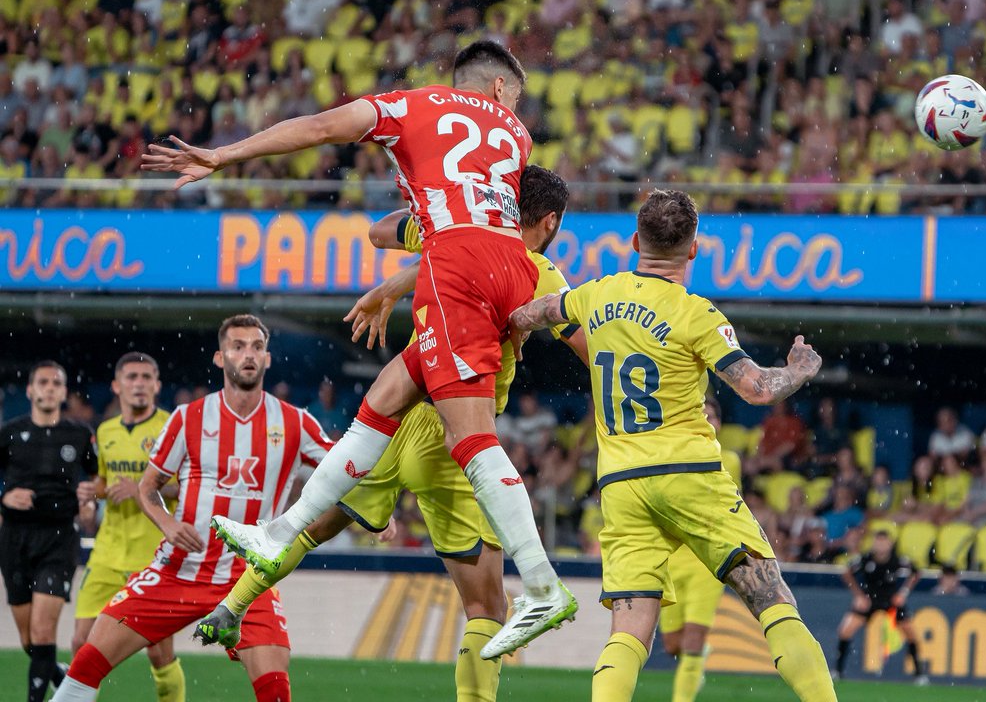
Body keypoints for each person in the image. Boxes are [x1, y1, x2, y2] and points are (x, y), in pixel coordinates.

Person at [143, 40, 577, 656]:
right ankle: (275, 533)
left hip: (454, 274)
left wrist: (223, 154)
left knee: (471, 441)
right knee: (381, 400)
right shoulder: (518, 139)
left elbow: (322, 129)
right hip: (482, 270)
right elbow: (475, 230)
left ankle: (543, 584)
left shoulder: (411, 106)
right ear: (503, 91)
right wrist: (404, 283)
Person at [192, 167, 586, 702]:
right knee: (486, 607)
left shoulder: (452, 230)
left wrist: (406, 273)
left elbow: (379, 231)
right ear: (551, 221)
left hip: (395, 417)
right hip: (458, 431)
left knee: (313, 524)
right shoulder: (541, 272)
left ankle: (231, 606)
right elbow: (589, 350)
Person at [508, 190, 835, 702]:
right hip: (688, 473)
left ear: (635, 241)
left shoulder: (596, 294)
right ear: (694, 250)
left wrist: (511, 328)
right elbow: (755, 389)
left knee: (630, 631)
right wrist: (797, 370)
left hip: (620, 484)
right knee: (771, 598)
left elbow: (538, 311)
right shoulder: (696, 314)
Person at [50, 316, 334, 702]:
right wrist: (167, 524)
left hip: (248, 578)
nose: (247, 354)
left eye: (255, 347)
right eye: (237, 346)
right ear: (220, 357)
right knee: (87, 661)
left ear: (267, 358)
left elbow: (342, 471)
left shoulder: (296, 423)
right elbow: (148, 487)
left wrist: (375, 510)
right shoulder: (188, 418)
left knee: (275, 691)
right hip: (179, 569)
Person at [72, 353, 184, 702]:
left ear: (157, 385)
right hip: (107, 551)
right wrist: (91, 498)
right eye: (132, 377)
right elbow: (105, 483)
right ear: (117, 386)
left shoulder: (174, 426)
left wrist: (140, 490)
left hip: (152, 555)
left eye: (146, 377)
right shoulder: (104, 431)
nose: (139, 383)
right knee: (81, 644)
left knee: (159, 654)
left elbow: (188, 485)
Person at [1, 361, 97, 702]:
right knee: (30, 641)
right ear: (30, 390)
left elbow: (96, 478)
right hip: (14, 541)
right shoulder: (9, 432)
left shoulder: (79, 433)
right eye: (43, 382)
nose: (49, 388)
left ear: (63, 391)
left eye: (57, 383)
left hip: (59, 539)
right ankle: (63, 679)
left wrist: (88, 500)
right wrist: (5, 497)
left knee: (43, 632)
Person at [658, 396, 742, 702]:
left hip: (707, 560)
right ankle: (698, 660)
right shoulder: (671, 457)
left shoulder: (728, 459)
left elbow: (733, 504)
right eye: (702, 415)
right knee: (672, 645)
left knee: (692, 640)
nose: (708, 421)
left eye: (713, 417)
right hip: (674, 559)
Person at [834, 530, 927, 684]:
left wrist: (903, 593)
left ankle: (919, 674)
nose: (881, 545)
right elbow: (846, 572)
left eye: (884, 542)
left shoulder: (897, 560)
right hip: (869, 599)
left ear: (890, 544)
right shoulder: (865, 559)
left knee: (910, 632)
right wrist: (858, 596)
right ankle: (837, 670)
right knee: (845, 630)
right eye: (878, 541)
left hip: (891, 600)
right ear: (873, 543)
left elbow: (916, 572)